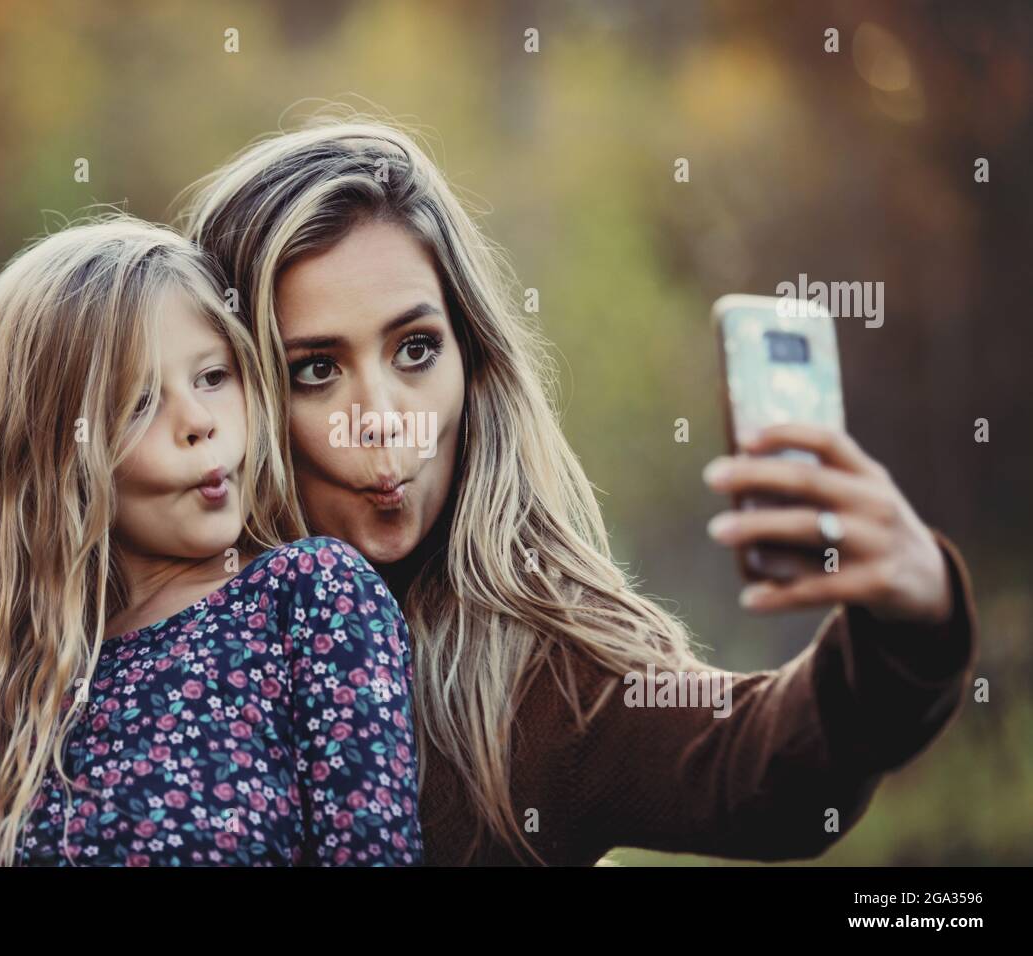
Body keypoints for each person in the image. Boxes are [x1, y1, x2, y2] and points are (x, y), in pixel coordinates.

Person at [179, 114, 979, 865]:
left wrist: (912, 620)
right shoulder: (122, 634)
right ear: (232, 395)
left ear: (474, 360)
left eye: (417, 349)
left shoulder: (537, 672)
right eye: (315, 370)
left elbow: (766, 770)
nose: (385, 421)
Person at [0, 215, 422, 866]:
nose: (200, 422)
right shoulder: (3, 689)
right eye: (141, 402)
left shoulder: (310, 596)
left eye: (213, 376)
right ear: (56, 452)